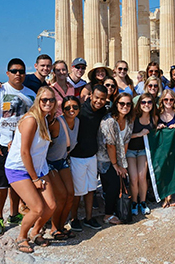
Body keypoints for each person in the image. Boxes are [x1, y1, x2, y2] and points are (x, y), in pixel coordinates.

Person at [0, 58, 35, 236]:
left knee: (17, 182)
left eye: (21, 71)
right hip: (3, 145)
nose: (18, 74)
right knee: (1, 183)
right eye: (14, 71)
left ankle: (14, 214)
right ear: (7, 73)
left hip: (21, 146)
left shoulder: (31, 94)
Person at [4, 86, 57, 252]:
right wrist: (34, 179)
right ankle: (22, 237)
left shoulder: (45, 118)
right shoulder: (31, 120)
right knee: (37, 208)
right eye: (44, 100)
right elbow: (24, 152)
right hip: (19, 169)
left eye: (51, 100)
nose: (48, 103)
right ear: (38, 101)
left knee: (51, 206)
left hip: (39, 167)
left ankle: (35, 232)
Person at [69, 85, 108, 232]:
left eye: (102, 99)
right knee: (77, 191)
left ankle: (89, 218)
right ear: (91, 95)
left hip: (92, 155)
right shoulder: (80, 111)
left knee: (91, 188)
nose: (99, 101)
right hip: (77, 156)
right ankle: (74, 219)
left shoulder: (102, 111)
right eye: (97, 97)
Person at [97, 93, 133, 225]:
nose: (125, 106)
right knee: (113, 185)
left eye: (128, 104)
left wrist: (122, 164)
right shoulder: (109, 121)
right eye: (122, 103)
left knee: (120, 181)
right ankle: (108, 214)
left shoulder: (128, 120)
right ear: (116, 104)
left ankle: (115, 209)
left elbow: (126, 141)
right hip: (105, 159)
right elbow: (110, 145)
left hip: (117, 158)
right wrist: (116, 165)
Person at [47, 96, 80, 239]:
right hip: (49, 163)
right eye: (67, 108)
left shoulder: (77, 122)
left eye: (75, 107)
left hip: (62, 161)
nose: (71, 110)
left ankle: (61, 226)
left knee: (70, 194)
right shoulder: (56, 124)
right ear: (63, 110)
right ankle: (54, 228)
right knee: (61, 196)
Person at [128, 93, 156, 215]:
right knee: (133, 178)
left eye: (149, 102)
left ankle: (143, 202)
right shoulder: (133, 117)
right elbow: (126, 136)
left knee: (142, 177)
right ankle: (134, 201)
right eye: (143, 102)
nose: (146, 105)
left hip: (144, 151)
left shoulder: (154, 118)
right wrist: (139, 134)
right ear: (139, 104)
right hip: (130, 151)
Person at [157, 89, 175, 208]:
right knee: (162, 169)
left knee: (172, 169)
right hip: (161, 146)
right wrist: (158, 126)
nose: (168, 101)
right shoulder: (157, 113)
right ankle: (163, 194)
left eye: (171, 99)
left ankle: (169, 196)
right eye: (166, 99)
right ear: (162, 100)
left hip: (174, 146)